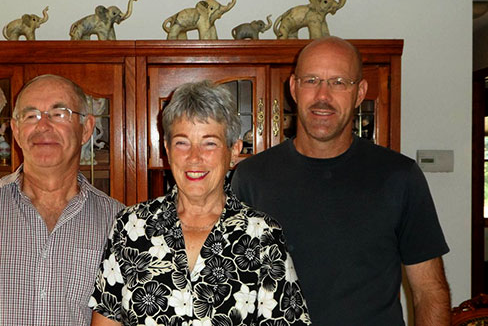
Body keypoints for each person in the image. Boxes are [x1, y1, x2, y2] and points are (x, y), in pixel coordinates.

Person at [231, 36, 451, 325]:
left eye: (338, 82)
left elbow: (429, 292)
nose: (323, 96)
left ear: (360, 93)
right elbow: (235, 291)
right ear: (294, 87)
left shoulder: (400, 177)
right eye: (312, 80)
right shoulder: (251, 177)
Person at [89, 80, 311, 325]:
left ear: (234, 151)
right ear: (167, 150)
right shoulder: (131, 227)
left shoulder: (262, 235)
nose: (194, 157)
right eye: (182, 143)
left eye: (209, 143)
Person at [0, 74, 125, 325]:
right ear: (16, 131)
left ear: (86, 128)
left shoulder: (119, 223)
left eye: (59, 113)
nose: (43, 126)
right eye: (30, 116)